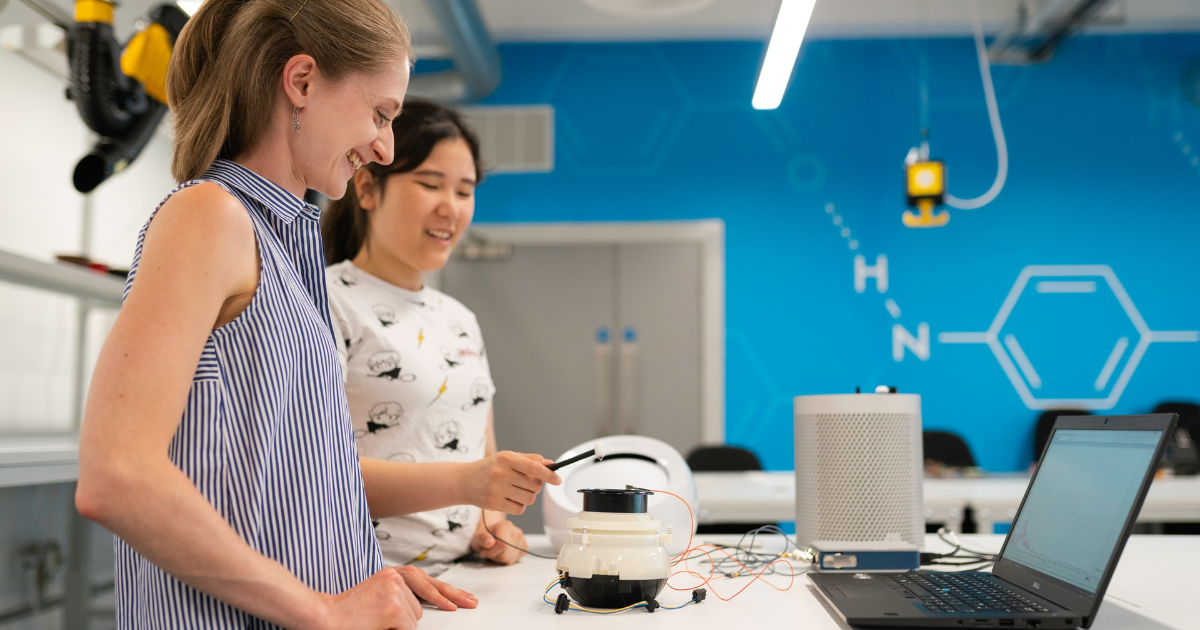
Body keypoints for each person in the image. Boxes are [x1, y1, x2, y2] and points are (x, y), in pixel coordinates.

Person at [73, 0, 480, 627]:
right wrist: (320, 608)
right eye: (380, 113)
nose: (384, 145)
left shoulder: (291, 245)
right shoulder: (208, 217)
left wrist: (351, 568)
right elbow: (117, 477)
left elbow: (287, 478)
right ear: (302, 82)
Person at [322, 99, 559, 573]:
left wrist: (495, 526)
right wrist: (467, 483)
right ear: (367, 187)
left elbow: (481, 455)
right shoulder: (327, 301)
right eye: (430, 184)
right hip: (366, 582)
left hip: (463, 580)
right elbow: (315, 475)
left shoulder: (459, 318)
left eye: (465, 191)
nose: (450, 207)